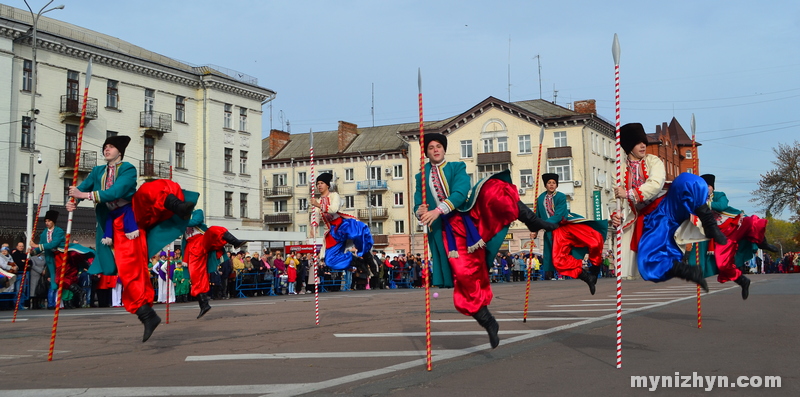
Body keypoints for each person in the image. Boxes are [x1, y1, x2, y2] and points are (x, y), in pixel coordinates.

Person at [414, 132, 555, 348]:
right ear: (426, 152)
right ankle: (487, 320)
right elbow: (418, 203)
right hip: (448, 233)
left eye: (439, 146)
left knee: (495, 190)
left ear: (443, 149)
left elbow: (461, 193)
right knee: (464, 275)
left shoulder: (456, 168)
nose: (435, 149)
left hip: (469, 219)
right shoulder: (420, 177)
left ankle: (532, 220)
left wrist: (438, 210)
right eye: (431, 146)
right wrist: (420, 210)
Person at [66, 135, 197, 342]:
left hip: (133, 213)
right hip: (115, 224)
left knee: (149, 189)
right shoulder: (97, 172)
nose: (106, 150)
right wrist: (73, 201)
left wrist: (84, 196)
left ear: (120, 151)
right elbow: (81, 189)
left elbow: (116, 192)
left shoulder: (128, 169)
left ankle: (176, 205)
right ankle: (147, 315)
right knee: (129, 268)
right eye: (105, 146)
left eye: (111, 147)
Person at [610, 123, 727, 291]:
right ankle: (687, 271)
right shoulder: (620, 171)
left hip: (667, 205)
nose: (643, 145)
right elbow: (615, 199)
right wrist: (616, 215)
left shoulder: (653, 160)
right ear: (629, 146)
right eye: (637, 142)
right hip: (650, 219)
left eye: (643, 141)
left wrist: (628, 194)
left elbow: (655, 184)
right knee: (647, 262)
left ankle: (709, 224)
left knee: (685, 181)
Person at [691, 174, 778, 299]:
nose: (706, 188)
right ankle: (743, 281)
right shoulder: (697, 200)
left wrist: (706, 204)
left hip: (733, 225)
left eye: (708, 186)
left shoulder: (719, 195)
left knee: (752, 221)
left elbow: (722, 206)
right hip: (721, 236)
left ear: (712, 187)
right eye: (703, 186)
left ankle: (762, 242)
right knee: (723, 264)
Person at [532, 173, 608, 295]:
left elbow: (559, 216)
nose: (551, 185)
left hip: (565, 227)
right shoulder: (540, 199)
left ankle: (594, 271)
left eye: (553, 183)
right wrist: (534, 230)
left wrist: (542, 223)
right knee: (559, 262)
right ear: (545, 185)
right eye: (549, 183)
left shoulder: (561, 196)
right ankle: (587, 277)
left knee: (594, 240)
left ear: (556, 185)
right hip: (552, 234)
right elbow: (537, 216)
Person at [182, 209, 243, 318]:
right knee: (196, 277)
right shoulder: (179, 220)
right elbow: (178, 237)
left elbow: (195, 221)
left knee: (214, 230)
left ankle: (235, 242)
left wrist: (178, 220)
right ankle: (204, 304)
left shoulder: (196, 212)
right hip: (192, 249)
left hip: (202, 240)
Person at [310, 172, 374, 271]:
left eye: (322, 183)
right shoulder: (317, 201)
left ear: (327, 185)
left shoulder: (334, 195)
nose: (319, 185)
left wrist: (318, 205)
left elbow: (333, 209)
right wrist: (313, 227)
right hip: (332, 232)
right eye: (318, 183)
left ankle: (367, 257)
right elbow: (315, 216)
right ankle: (355, 261)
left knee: (356, 234)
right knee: (330, 261)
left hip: (342, 225)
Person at [28, 210, 65, 309]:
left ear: (53, 221)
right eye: (46, 221)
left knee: (60, 279)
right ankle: (51, 303)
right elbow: (41, 246)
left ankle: (61, 301)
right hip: (49, 257)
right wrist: (33, 251)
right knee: (53, 279)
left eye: (49, 221)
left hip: (59, 257)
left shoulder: (59, 231)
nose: (47, 223)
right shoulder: (44, 233)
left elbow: (53, 244)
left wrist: (37, 246)